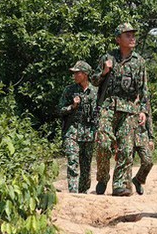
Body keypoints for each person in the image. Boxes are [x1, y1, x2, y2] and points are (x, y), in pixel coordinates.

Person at [92, 23, 149, 197]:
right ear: (118, 39)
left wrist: (143, 111)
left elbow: (144, 89)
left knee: (126, 148)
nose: (132, 38)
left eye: (133, 35)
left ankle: (121, 184)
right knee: (103, 144)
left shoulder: (139, 61)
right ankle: (102, 177)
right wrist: (104, 72)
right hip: (108, 107)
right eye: (127, 35)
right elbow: (94, 81)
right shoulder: (107, 58)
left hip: (129, 108)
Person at [58, 61, 98, 193]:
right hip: (72, 132)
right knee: (72, 162)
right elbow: (60, 110)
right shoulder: (69, 90)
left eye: (77, 72)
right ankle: (73, 192)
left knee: (86, 166)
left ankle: (83, 193)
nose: (74, 75)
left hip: (89, 133)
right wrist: (72, 107)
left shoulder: (95, 92)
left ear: (85, 74)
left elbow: (100, 113)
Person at [132, 102, 154, 195]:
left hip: (142, 136)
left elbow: (149, 120)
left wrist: (151, 138)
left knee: (148, 161)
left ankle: (138, 180)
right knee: (126, 163)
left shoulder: (144, 103)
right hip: (128, 136)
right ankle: (124, 187)